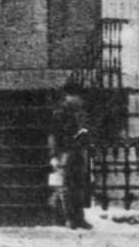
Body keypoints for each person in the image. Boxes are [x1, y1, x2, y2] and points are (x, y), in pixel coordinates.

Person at [49, 80, 93, 230]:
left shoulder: (79, 111)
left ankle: (78, 217)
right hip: (65, 152)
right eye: (77, 96)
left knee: (79, 186)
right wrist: (54, 155)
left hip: (77, 151)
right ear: (70, 96)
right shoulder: (60, 112)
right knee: (66, 186)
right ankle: (69, 218)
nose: (80, 100)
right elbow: (54, 134)